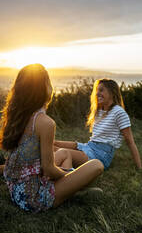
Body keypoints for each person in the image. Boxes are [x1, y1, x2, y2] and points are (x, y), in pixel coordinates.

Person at [0, 63, 104, 213]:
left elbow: (42, 164)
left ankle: (71, 189)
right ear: (43, 88)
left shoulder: (16, 116)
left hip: (16, 189)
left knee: (64, 153)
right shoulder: (45, 122)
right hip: (33, 197)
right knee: (96, 165)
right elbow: (48, 170)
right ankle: (74, 191)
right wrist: (69, 175)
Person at [54, 79, 142, 170]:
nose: (97, 93)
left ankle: (57, 173)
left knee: (58, 151)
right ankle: (56, 167)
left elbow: (130, 142)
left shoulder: (119, 112)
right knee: (52, 144)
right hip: (89, 146)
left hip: (100, 155)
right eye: (97, 90)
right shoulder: (99, 111)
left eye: (101, 90)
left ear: (112, 93)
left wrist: (139, 168)